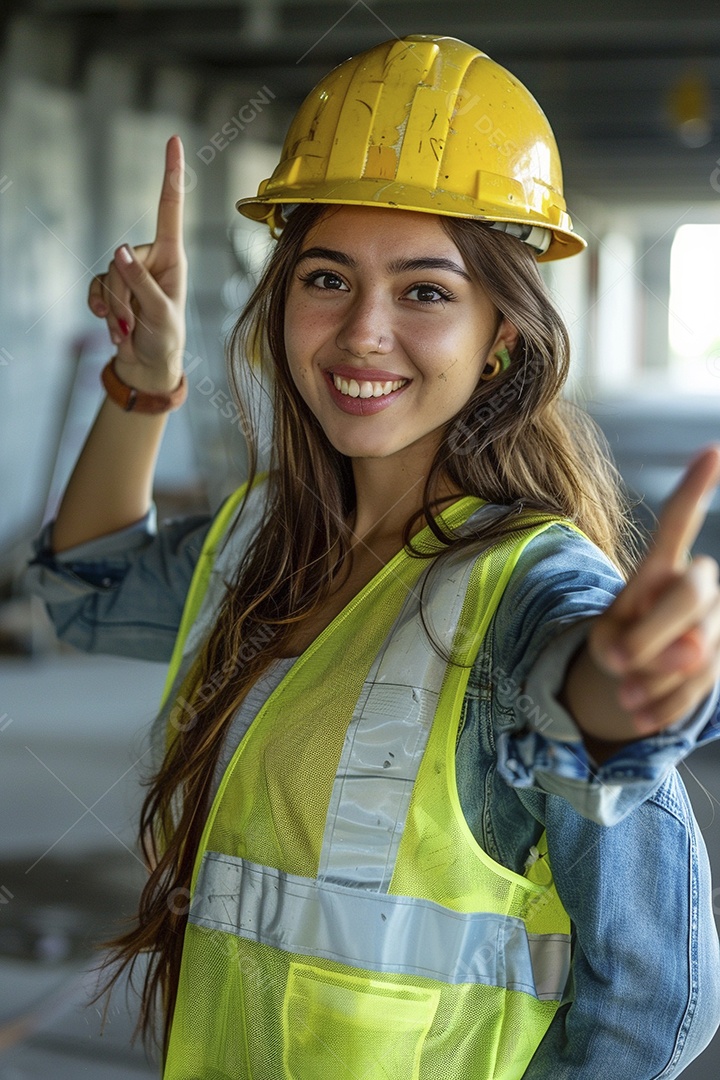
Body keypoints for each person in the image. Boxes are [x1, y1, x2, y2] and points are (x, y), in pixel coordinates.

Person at [27, 34, 720, 1080]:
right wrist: (141, 385)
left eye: (426, 292)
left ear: (501, 333)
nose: (362, 333)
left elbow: (658, 1003)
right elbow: (86, 589)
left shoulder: (535, 589)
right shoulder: (268, 539)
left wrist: (618, 705)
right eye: (327, 277)